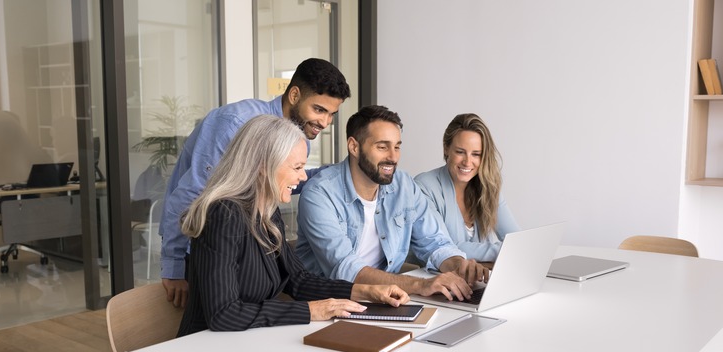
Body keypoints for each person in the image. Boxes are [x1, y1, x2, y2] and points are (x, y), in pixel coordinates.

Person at [176, 115, 408, 333]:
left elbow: (297, 280)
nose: (304, 177)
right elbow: (224, 314)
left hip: (248, 344)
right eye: (297, 168)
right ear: (263, 167)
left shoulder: (266, 210)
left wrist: (365, 291)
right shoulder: (223, 215)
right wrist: (311, 310)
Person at [160, 58, 351, 308]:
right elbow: (192, 193)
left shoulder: (299, 134)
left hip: (242, 245)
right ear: (294, 95)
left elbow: (280, 180)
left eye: (332, 114)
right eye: (319, 110)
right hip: (198, 247)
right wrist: (173, 266)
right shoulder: (235, 123)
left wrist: (339, 171)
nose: (325, 123)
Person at [295, 105, 489, 302]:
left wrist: (458, 266)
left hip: (388, 301)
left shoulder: (404, 185)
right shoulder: (319, 193)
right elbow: (345, 269)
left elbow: (435, 242)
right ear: (354, 146)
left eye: (397, 146)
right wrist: (420, 285)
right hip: (330, 305)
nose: (393, 157)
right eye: (382, 147)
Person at [414, 113, 519, 262]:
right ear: (446, 149)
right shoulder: (424, 186)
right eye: (460, 152)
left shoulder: (488, 186)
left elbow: (516, 240)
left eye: (476, 154)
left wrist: (514, 250)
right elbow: (445, 247)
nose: (468, 162)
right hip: (436, 279)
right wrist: (503, 251)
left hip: (479, 279)